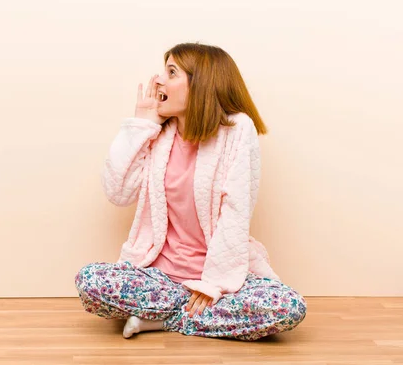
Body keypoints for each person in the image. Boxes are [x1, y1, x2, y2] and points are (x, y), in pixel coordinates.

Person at [74, 42, 307, 341]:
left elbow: (236, 211)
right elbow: (117, 192)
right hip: (158, 277)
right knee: (90, 280)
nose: (158, 81)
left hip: (219, 278)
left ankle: (157, 319)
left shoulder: (237, 130)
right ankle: (186, 315)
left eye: (171, 72)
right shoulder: (158, 133)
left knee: (287, 307)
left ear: (201, 84)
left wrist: (213, 286)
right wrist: (140, 124)